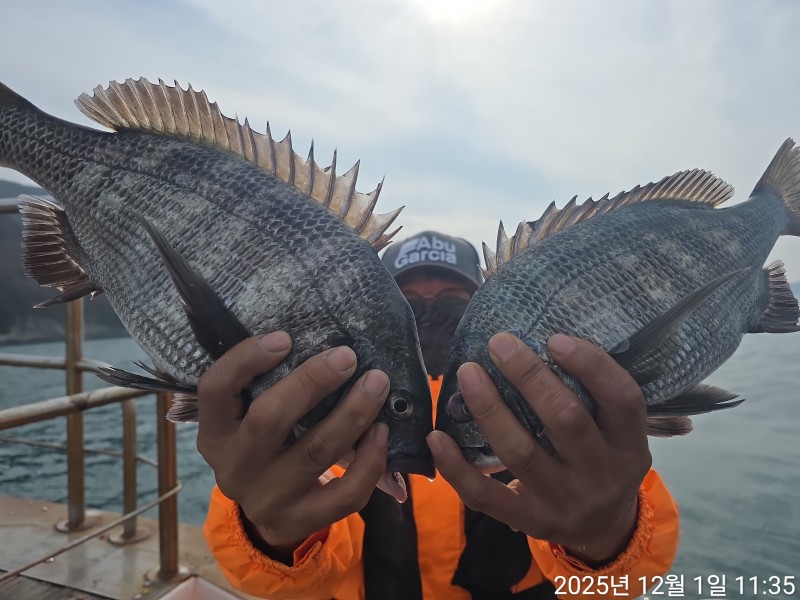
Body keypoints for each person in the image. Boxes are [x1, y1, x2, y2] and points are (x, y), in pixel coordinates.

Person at [199, 231, 679, 599]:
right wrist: (274, 533)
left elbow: (622, 583)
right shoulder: (320, 403)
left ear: (484, 313)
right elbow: (278, 584)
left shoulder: (552, 403)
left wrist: (605, 534)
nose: (427, 317)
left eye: (452, 305)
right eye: (407, 306)